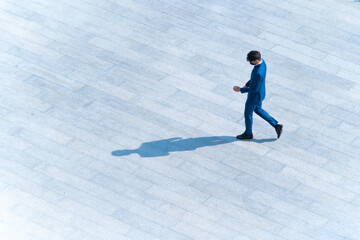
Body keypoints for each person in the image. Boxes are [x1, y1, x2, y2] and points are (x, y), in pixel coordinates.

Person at [233, 50, 283, 140]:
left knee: (248, 113)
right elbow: (254, 80)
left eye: (251, 61)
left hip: (254, 96)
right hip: (261, 93)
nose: (250, 63)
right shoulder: (262, 62)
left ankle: (248, 133)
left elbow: (254, 89)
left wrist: (241, 89)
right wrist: (247, 84)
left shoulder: (258, 73)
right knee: (258, 110)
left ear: (256, 60)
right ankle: (276, 125)